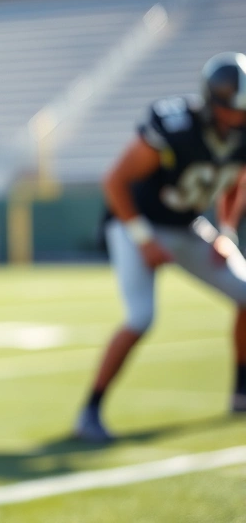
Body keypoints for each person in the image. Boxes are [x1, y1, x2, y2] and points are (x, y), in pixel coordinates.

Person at [75, 52, 246, 443]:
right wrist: (144, 240)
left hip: (187, 226)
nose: (240, 119)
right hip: (136, 222)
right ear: (214, 102)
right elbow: (115, 181)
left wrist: (227, 230)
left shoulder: (241, 135)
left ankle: (241, 391)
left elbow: (236, 179)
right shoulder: (176, 125)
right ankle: (90, 412)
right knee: (140, 318)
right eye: (235, 110)